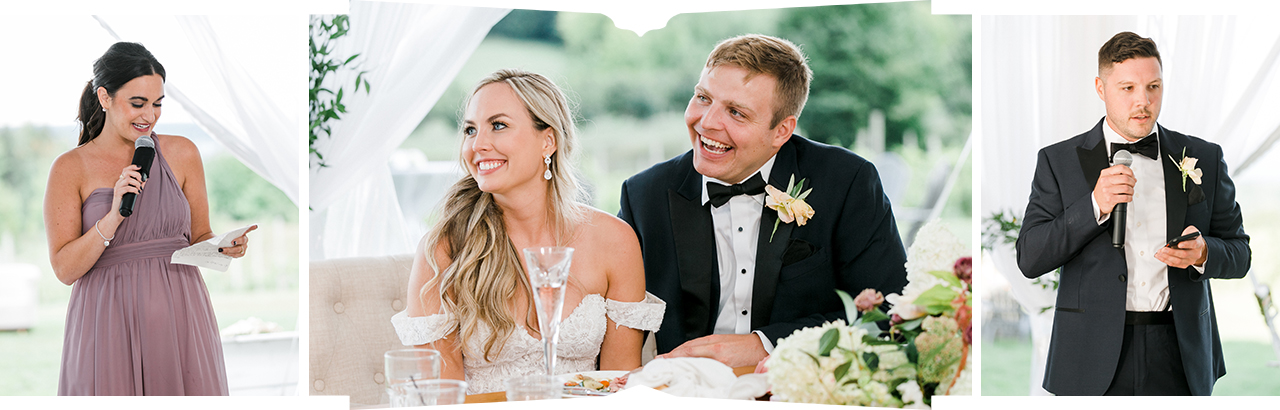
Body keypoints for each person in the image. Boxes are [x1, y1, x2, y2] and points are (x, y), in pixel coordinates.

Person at [617, 34, 909, 368]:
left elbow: (889, 310)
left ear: (781, 131)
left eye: (736, 113)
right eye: (702, 98)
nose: (707, 122)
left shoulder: (846, 182)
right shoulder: (643, 196)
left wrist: (767, 345)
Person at [392, 69, 665, 394]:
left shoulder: (614, 242)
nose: (478, 144)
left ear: (548, 140)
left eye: (498, 125)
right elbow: (442, 397)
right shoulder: (444, 249)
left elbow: (619, 385)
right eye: (470, 129)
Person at [1017, 31, 1250, 396]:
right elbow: (1030, 257)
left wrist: (1205, 253)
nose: (1144, 101)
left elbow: (1240, 253)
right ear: (1100, 87)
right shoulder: (1057, 161)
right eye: (1127, 88)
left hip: (1180, 351)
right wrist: (1094, 205)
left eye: (1153, 86)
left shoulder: (1203, 156)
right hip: (1089, 354)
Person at [43, 42, 256, 395]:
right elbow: (65, 270)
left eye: (157, 104)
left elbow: (200, 234)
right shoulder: (69, 168)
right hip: (105, 323)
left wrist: (222, 246)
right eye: (138, 103)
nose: (150, 116)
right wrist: (112, 218)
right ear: (105, 97)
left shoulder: (183, 152)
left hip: (180, 316)